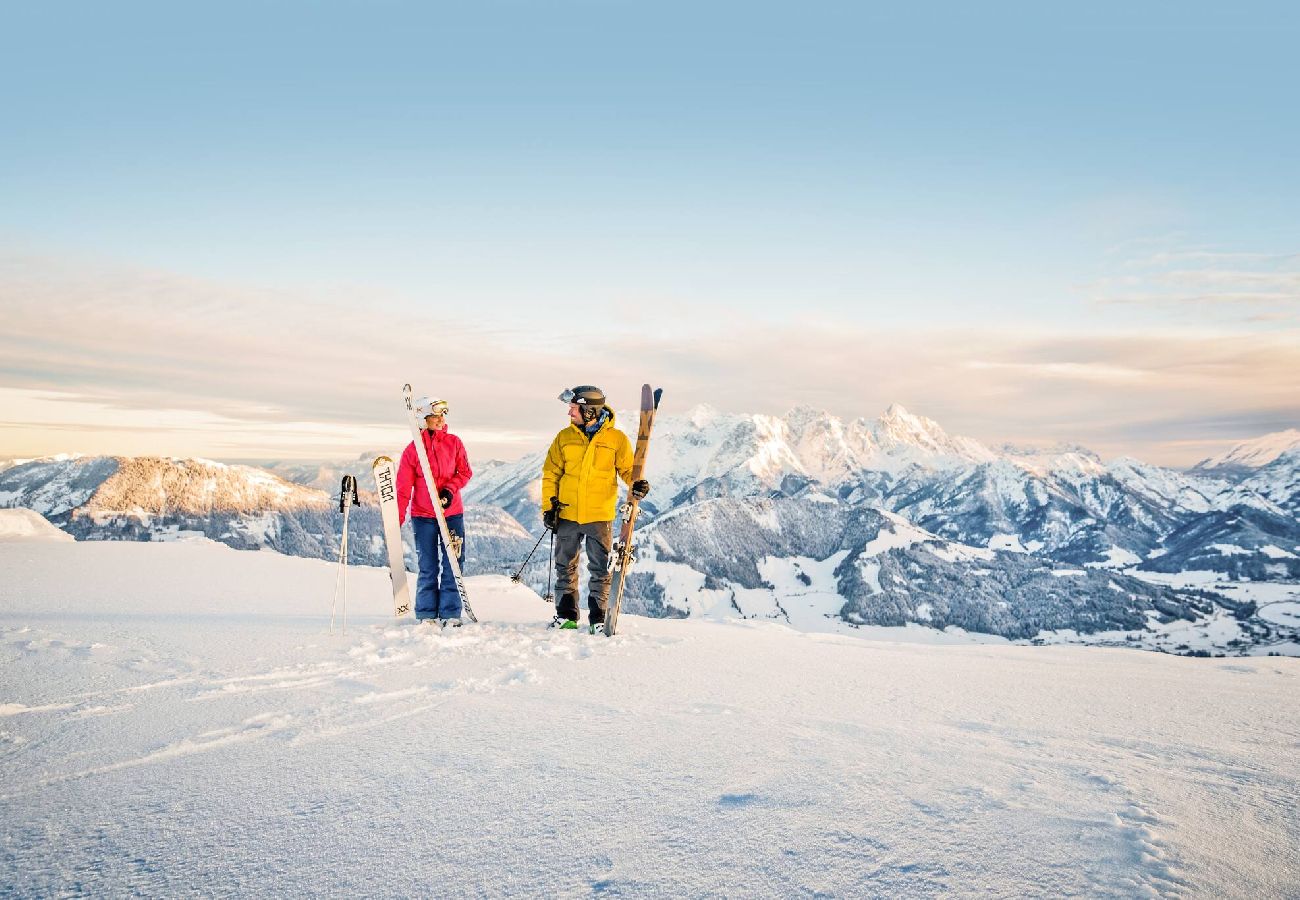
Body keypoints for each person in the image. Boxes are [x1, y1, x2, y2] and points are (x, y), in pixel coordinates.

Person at [541, 385, 649, 634]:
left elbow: (627, 472)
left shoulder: (616, 440)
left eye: (574, 408)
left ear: (589, 411)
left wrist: (638, 486)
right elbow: (551, 474)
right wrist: (549, 507)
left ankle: (598, 618)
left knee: (600, 568)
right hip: (567, 513)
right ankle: (566, 616)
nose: (570, 413)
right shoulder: (564, 437)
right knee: (564, 565)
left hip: (599, 516)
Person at [397, 397, 472, 627]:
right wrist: (396, 520)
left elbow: (465, 472)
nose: (440, 420)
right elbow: (402, 488)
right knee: (428, 565)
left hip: (451, 514)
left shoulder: (454, 443)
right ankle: (427, 613)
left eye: (442, 416)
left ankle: (450, 613)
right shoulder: (412, 451)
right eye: (435, 416)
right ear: (422, 419)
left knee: (453, 563)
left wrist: (449, 491)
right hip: (423, 516)